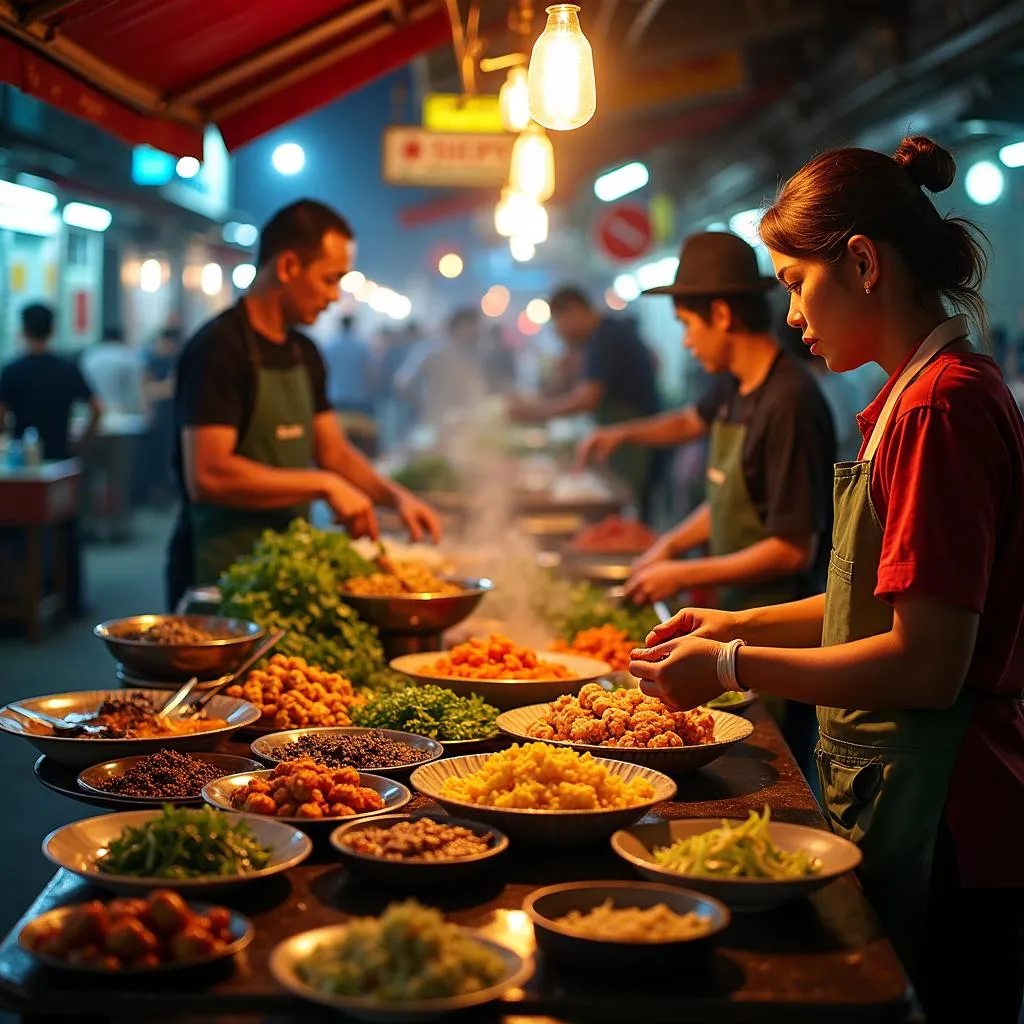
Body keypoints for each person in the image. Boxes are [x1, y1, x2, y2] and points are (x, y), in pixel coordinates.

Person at [628, 137, 1024, 1023]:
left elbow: (924, 664)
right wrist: (732, 627)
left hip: (949, 819)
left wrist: (731, 671)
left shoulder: (941, 409)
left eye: (797, 283)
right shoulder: (905, 402)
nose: (793, 314)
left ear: (862, 262)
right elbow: (864, 604)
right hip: (901, 795)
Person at [166, 199, 440, 609]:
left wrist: (396, 497)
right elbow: (208, 474)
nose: (334, 297)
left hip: (285, 569)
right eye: (330, 279)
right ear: (289, 266)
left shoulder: (303, 352)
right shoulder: (220, 348)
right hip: (219, 576)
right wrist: (323, 485)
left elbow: (332, 452)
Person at [509, 287, 660, 515]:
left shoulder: (606, 338)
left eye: (559, 322)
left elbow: (587, 399)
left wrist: (535, 412)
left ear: (575, 309)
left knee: (631, 510)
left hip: (634, 440)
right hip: (622, 438)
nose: (559, 332)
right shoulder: (597, 338)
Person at [0, 303, 102, 615]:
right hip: (63, 458)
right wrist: (81, 439)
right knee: (68, 530)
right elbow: (97, 408)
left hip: (24, 465)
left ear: (22, 329)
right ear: (53, 329)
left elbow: (1, 417)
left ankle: (22, 596)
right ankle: (70, 600)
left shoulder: (12, 370)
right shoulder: (67, 368)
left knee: (17, 532)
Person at [81, 326, 148, 541]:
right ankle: (117, 527)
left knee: (88, 480)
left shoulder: (89, 356)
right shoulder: (128, 358)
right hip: (121, 425)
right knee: (118, 480)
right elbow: (134, 394)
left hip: (91, 425)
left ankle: (88, 526)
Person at [394, 308, 488, 433]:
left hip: (463, 429)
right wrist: (423, 405)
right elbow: (402, 383)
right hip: (433, 427)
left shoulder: (472, 356)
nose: (478, 333)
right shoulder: (432, 350)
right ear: (461, 326)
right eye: (475, 327)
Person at [140, 326, 181, 505]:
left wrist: (159, 390)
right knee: (155, 458)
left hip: (172, 418)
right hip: (157, 418)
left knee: (170, 456)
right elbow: (147, 390)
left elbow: (168, 389)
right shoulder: (152, 361)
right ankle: (157, 494)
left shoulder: (178, 362)